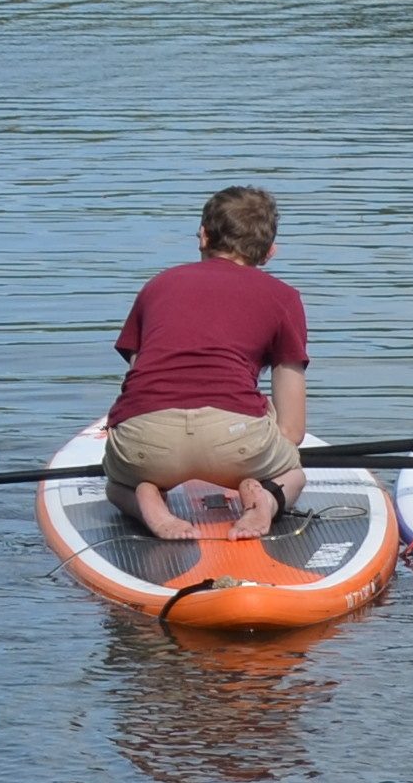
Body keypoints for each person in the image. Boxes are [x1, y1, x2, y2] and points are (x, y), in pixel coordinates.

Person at [104, 186, 316, 542]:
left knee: (115, 483)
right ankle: (266, 498)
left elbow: (136, 385)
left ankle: (145, 497)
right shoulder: (284, 297)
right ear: (269, 253)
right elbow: (292, 431)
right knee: (294, 474)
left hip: (146, 440)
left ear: (202, 236)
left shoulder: (157, 285)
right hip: (235, 442)